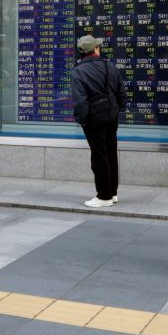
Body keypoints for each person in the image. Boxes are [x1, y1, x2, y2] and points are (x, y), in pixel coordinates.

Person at [71, 35, 127, 208]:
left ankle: (104, 196)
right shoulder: (109, 67)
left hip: (94, 120)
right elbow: (121, 93)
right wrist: (118, 110)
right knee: (110, 153)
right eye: (97, 46)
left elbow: (80, 101)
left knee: (99, 157)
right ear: (95, 50)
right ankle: (112, 192)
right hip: (111, 116)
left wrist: (83, 121)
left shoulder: (78, 72)